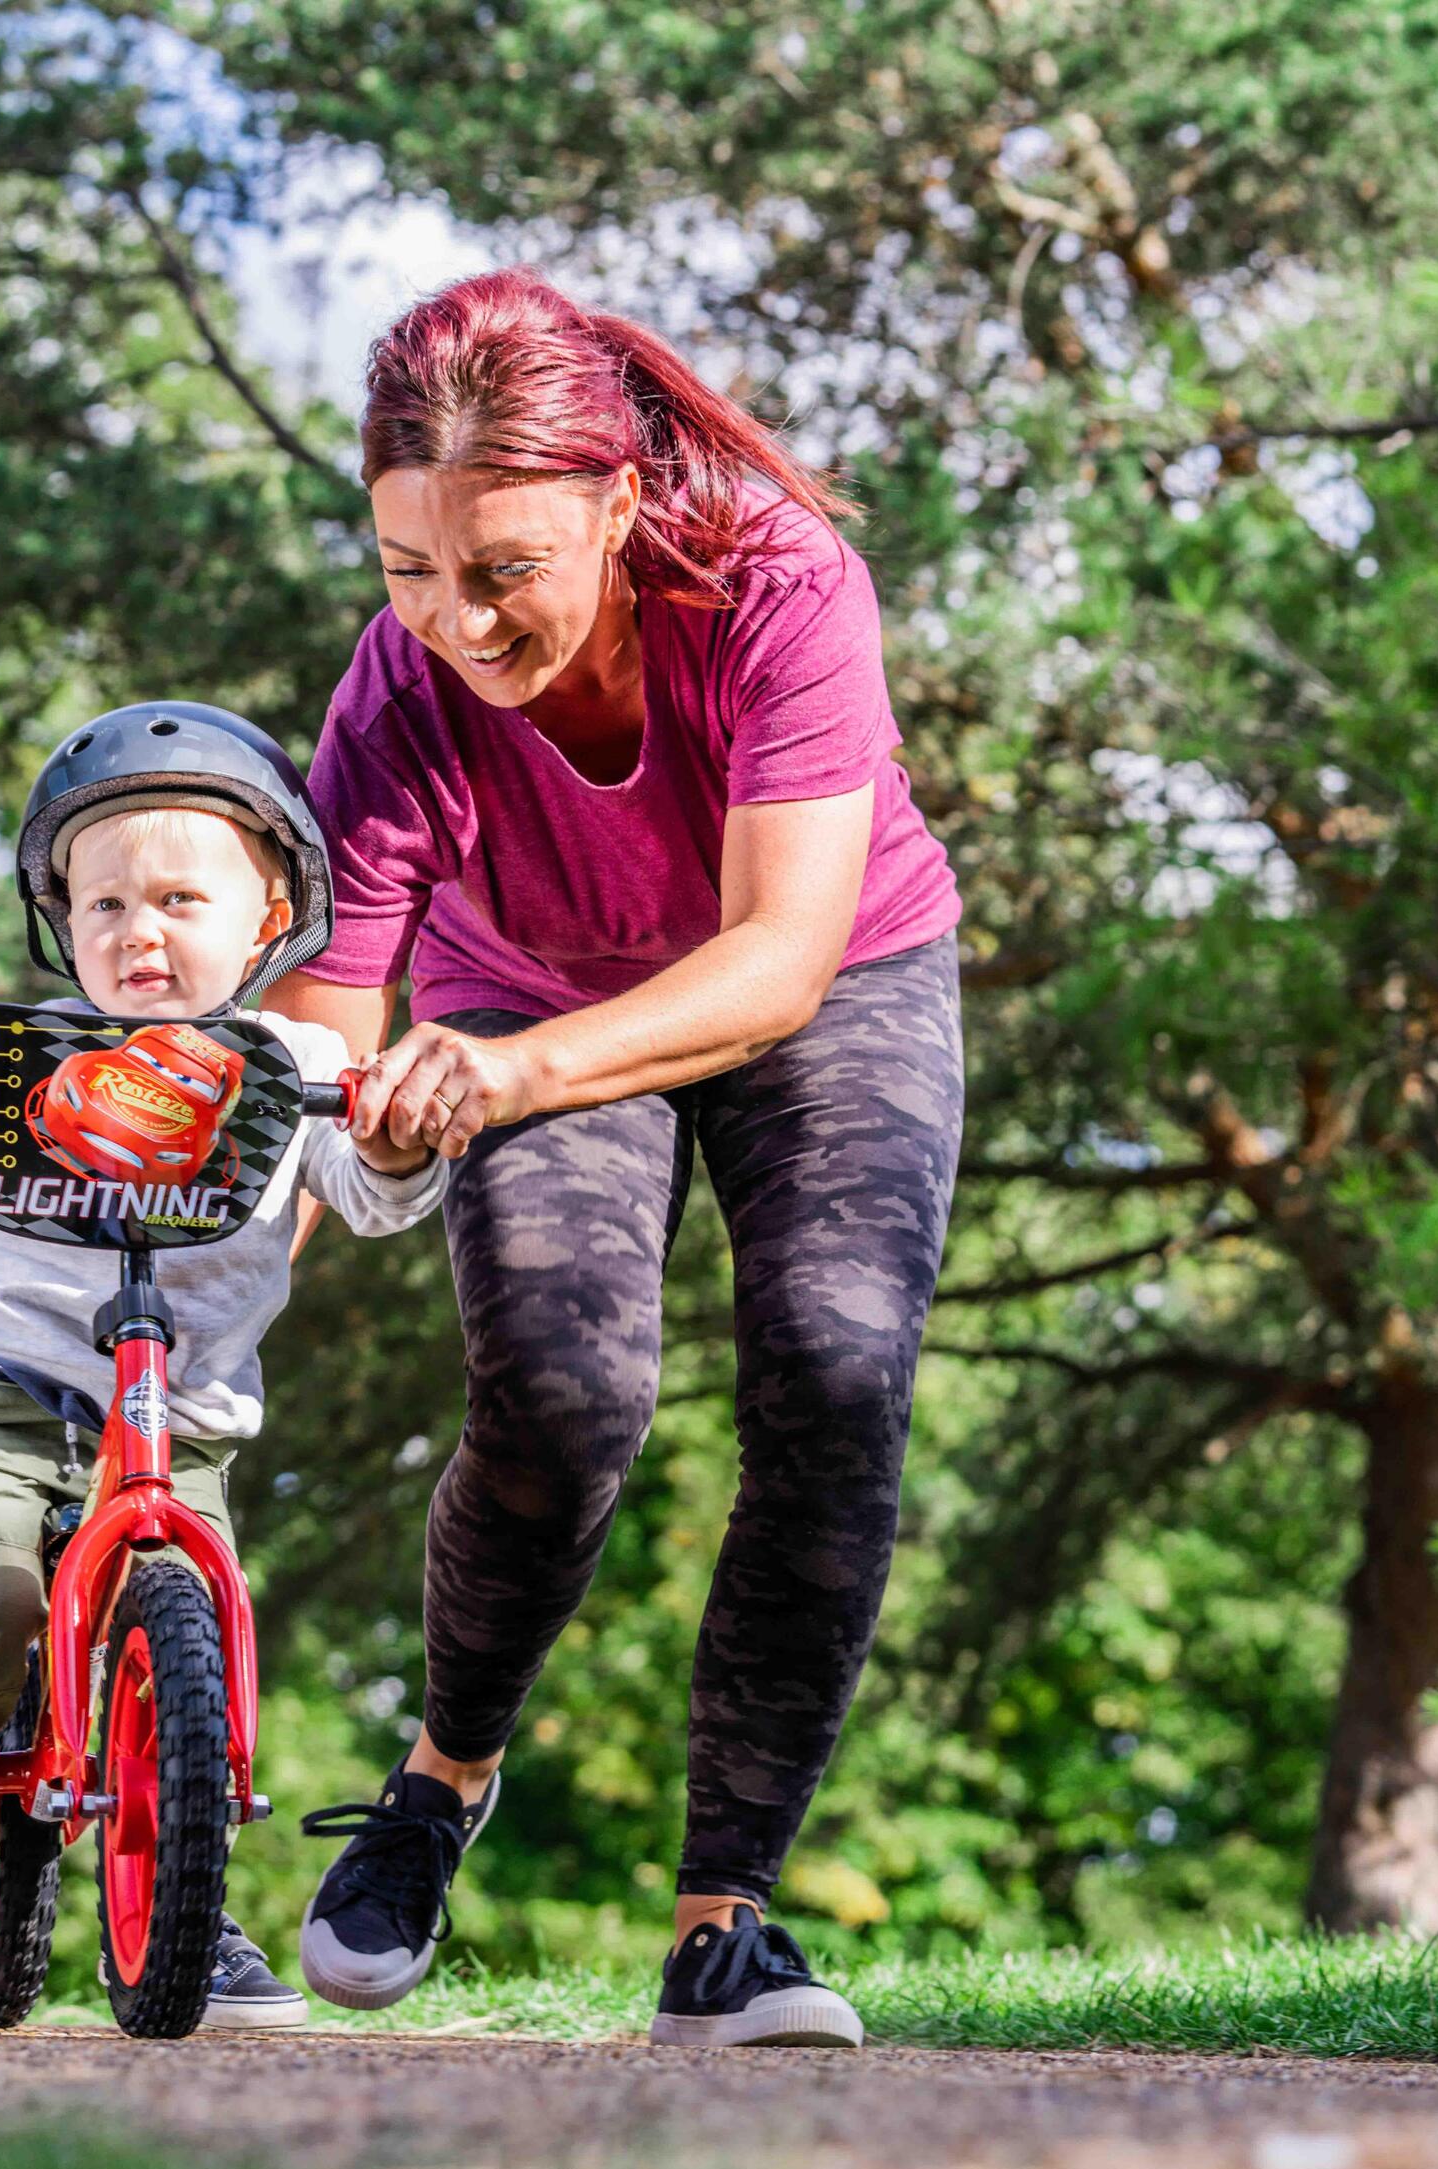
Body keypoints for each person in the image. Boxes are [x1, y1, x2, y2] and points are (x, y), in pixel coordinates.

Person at [273, 271, 965, 2049]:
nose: (458, 624)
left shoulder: (779, 582)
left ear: (619, 502)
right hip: (524, 996)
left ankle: (726, 1925)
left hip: (821, 973)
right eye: (409, 571)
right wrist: (222, 1248)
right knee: (568, 1389)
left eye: (502, 570)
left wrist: (503, 1079)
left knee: (834, 1357)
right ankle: (439, 1783)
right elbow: (328, 1036)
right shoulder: (398, 698)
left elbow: (778, 959)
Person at [0, 700, 447, 2028]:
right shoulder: (43, 1054)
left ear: (270, 915)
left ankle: (191, 1909)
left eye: (177, 898)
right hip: (13, 1380)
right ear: (64, 926)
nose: (138, 930)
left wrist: (388, 1138)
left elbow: (372, 1190)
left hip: (184, 1416)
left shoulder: (294, 1066)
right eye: (103, 906)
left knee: (196, 1634)